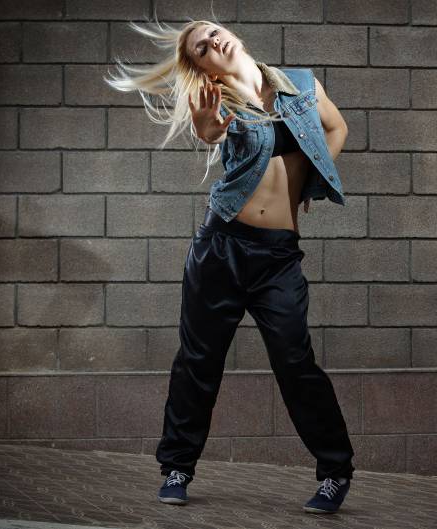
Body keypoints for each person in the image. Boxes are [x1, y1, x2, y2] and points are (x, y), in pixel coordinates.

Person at [105, 18, 355, 514]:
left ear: (229, 34)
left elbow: (336, 127)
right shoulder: (218, 102)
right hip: (221, 247)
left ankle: (335, 472)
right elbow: (209, 131)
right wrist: (209, 127)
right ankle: (177, 467)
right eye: (202, 48)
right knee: (199, 361)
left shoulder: (301, 85)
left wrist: (312, 180)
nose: (212, 41)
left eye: (212, 32)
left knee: (295, 363)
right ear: (206, 69)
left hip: (278, 257)